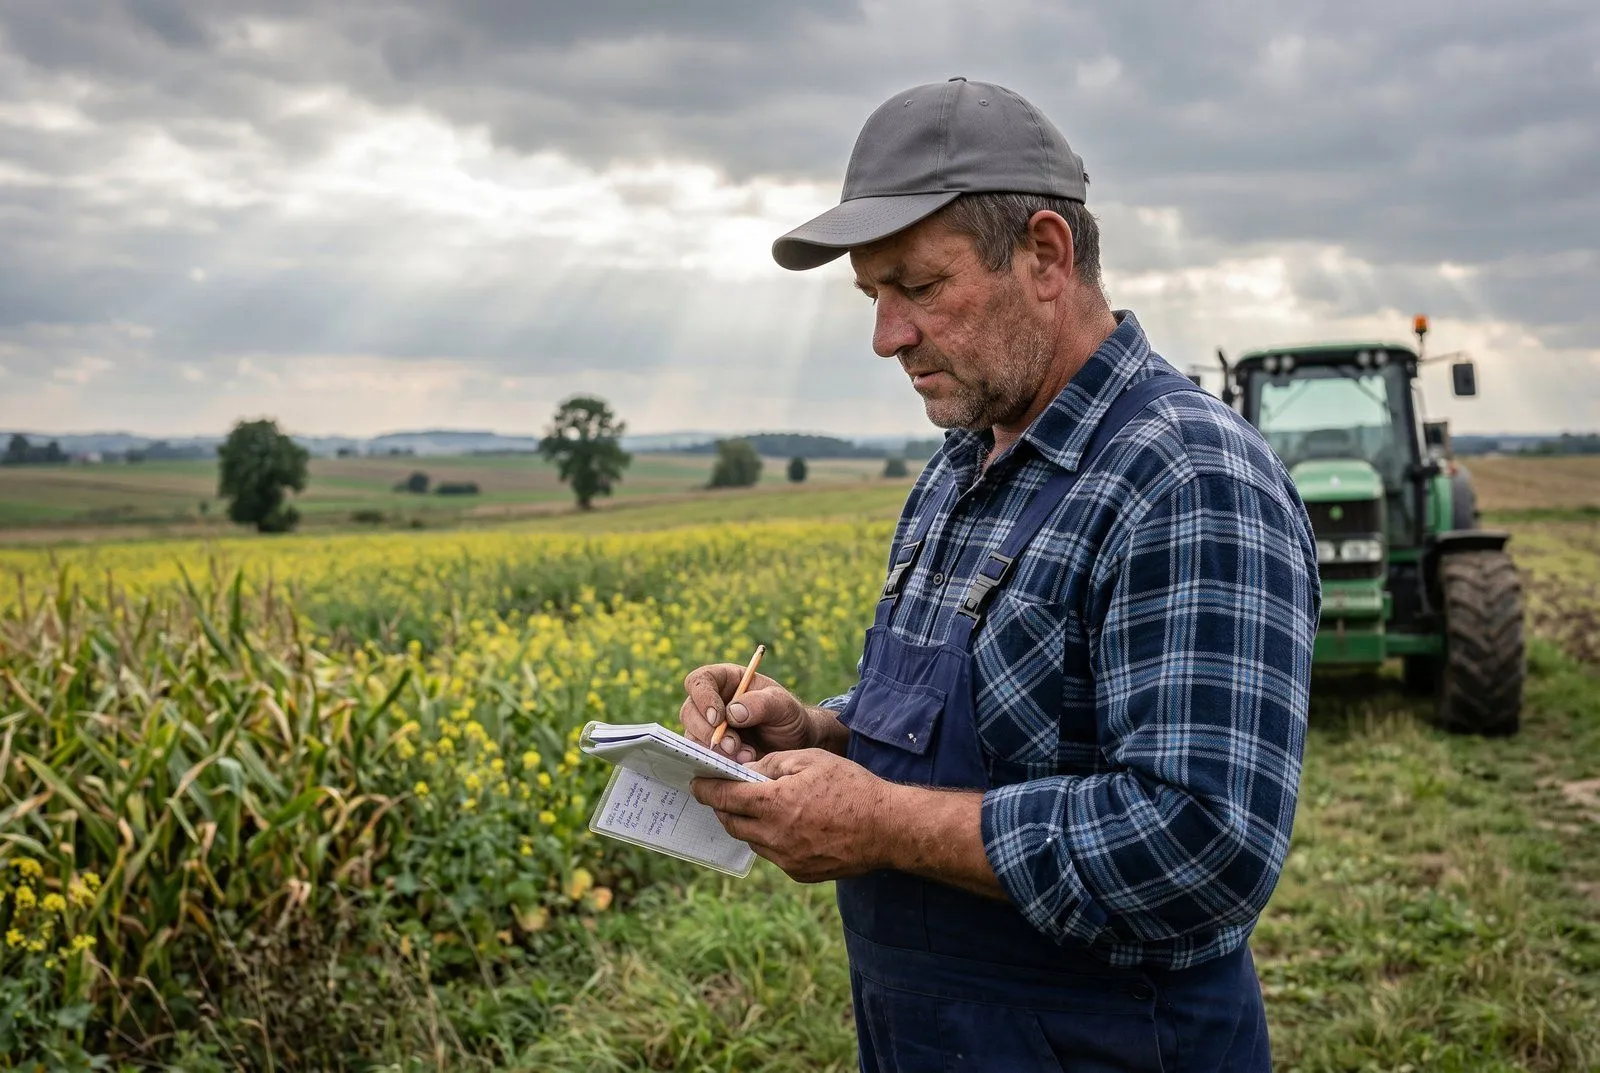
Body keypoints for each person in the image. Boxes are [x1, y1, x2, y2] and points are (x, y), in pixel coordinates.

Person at [679, 77, 1320, 1072]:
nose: (886, 336)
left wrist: (883, 820)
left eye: (919, 287)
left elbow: (1200, 844)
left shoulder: (1182, 476)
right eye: (871, 296)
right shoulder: (962, 462)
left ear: (1046, 255)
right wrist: (819, 729)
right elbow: (998, 711)